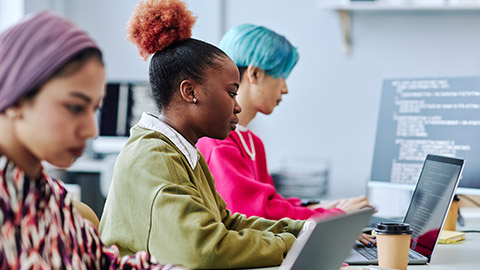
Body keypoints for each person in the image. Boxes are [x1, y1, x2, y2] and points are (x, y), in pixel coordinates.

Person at [99, 0, 306, 269]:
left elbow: (226, 222)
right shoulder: (153, 156)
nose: (237, 105)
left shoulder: (182, 151)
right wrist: (289, 244)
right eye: (231, 92)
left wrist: (302, 230)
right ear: (190, 92)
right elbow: (205, 249)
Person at [0, 10, 186, 269]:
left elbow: (105, 264)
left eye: (95, 109)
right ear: (16, 97)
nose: (91, 131)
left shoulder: (50, 198)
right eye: (76, 107)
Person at [196, 24, 372, 221]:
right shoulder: (217, 142)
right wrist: (333, 216)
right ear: (255, 74)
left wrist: (324, 207)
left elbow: (270, 203)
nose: (285, 88)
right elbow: (255, 214)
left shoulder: (253, 143)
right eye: (281, 76)